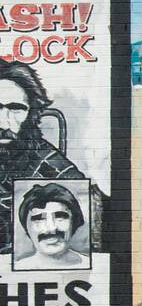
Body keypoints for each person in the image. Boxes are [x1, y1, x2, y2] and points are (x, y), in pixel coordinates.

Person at [0, 60, 104, 255]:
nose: (4, 122)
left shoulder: (47, 161)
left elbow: (86, 210)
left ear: (32, 113)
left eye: (16, 109)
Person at [13, 183, 91, 270]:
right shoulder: (15, 270)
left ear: (74, 222)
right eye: (39, 218)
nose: (51, 228)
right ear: (26, 227)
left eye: (60, 217)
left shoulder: (94, 266)